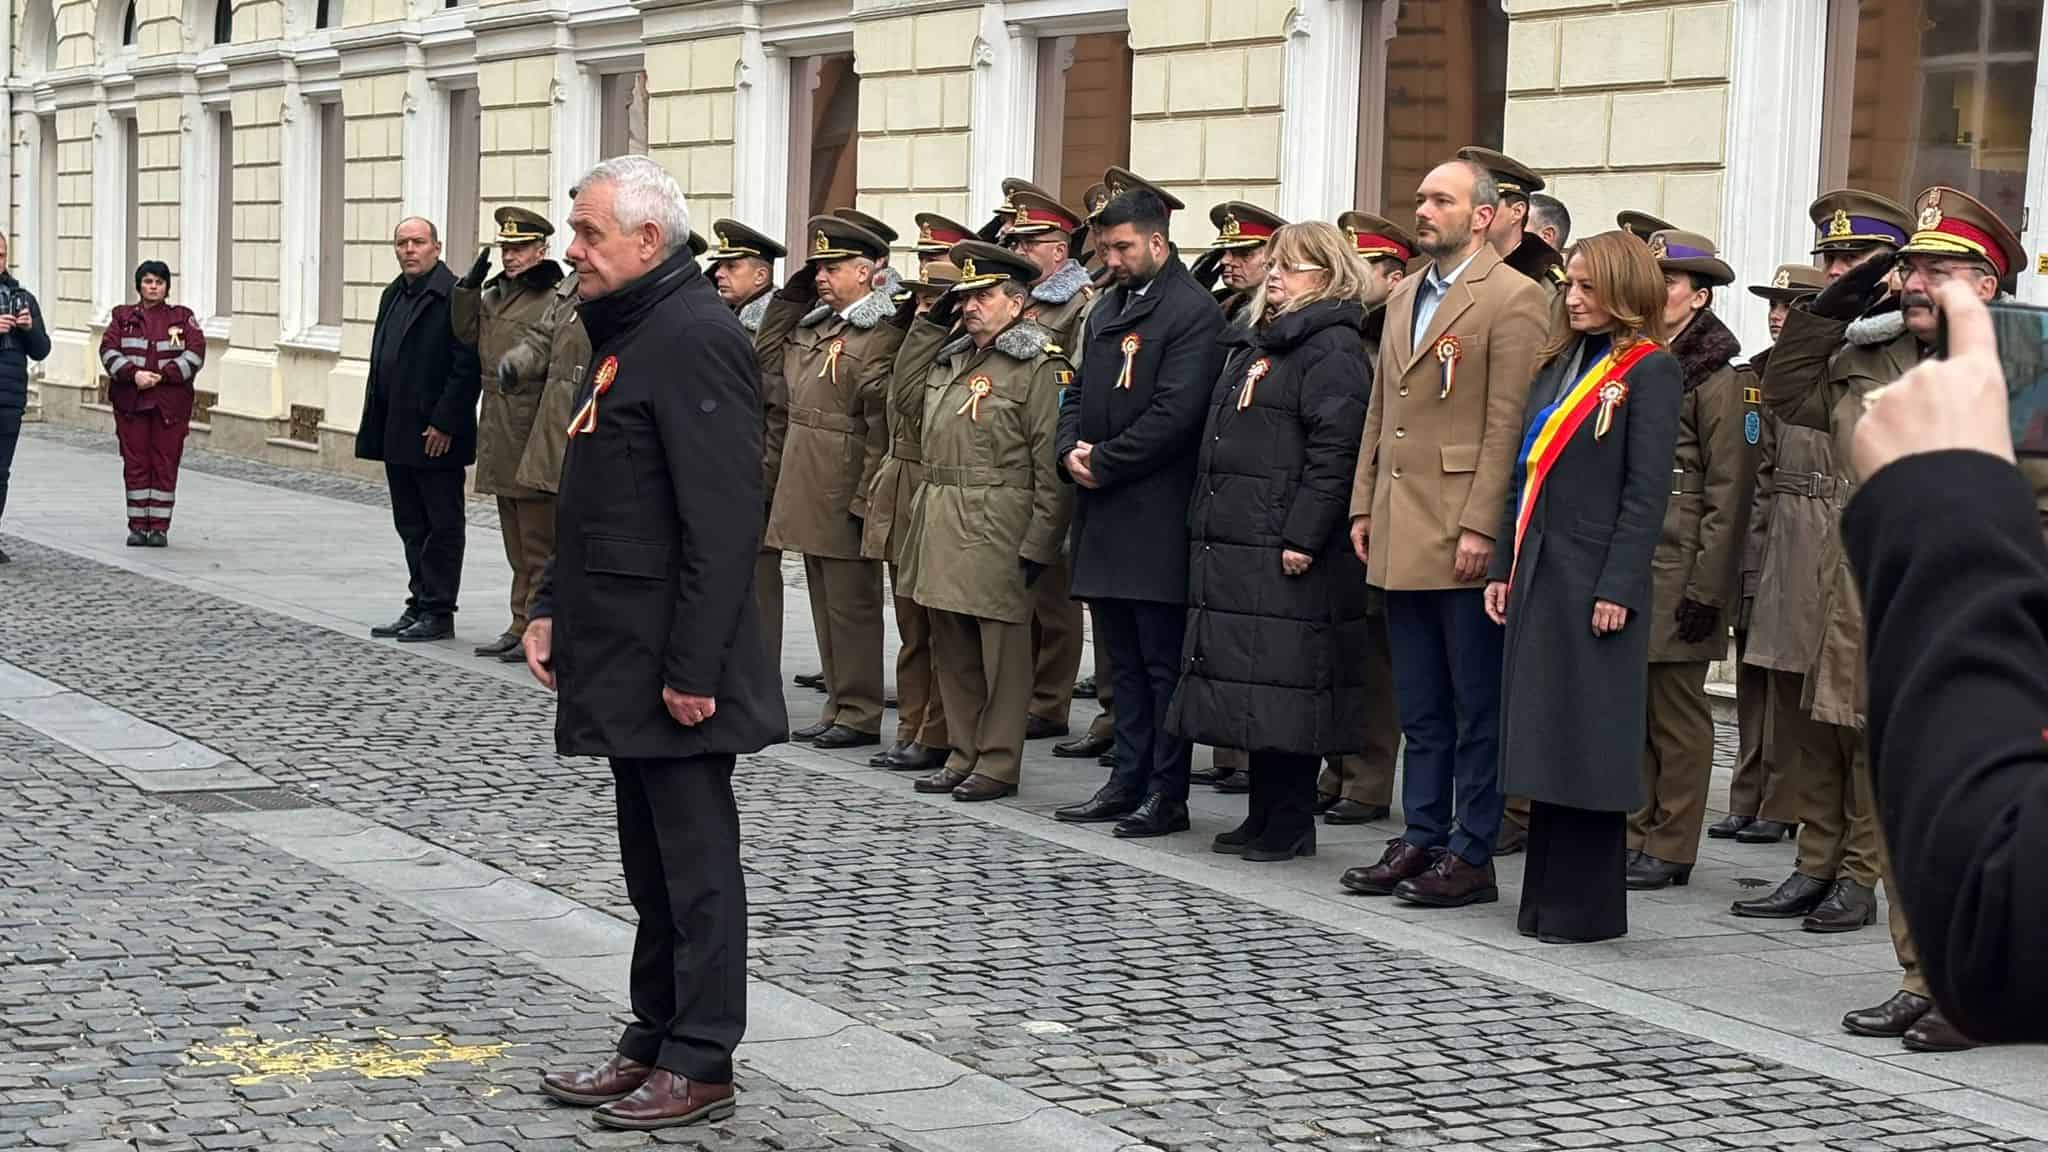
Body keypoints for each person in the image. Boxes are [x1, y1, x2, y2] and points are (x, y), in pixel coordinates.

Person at [526, 155, 783, 1131]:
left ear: (647, 240)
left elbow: (721, 523)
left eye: (588, 234)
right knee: (647, 862)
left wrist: (693, 667)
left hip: (674, 657)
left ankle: (702, 1055)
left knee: (695, 863)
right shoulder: (628, 328)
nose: (572, 249)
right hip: (619, 644)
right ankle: (652, 1036)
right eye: (574, 229)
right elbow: (595, 487)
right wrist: (549, 601)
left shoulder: (694, 336)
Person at [1763, 185, 2020, 1053]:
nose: (1917, 282)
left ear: (1986, 285)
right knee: (1905, 799)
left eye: (1939, 270)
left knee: (1980, 806)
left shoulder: (2023, 376)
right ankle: (1926, 977)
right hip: (1880, 612)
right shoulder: (1867, 363)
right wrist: (1841, 294)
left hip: (1989, 625)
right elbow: (1788, 386)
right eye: (1911, 266)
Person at [1339, 158, 1548, 907]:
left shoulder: (1515, 299)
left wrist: (1484, 527)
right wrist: (1363, 502)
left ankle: (1471, 850)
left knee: (1473, 705)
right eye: (1420, 196)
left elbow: (1507, 423)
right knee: (1420, 700)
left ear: (1484, 216)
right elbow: (1379, 411)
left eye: (1440, 200)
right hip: (1400, 522)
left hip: (1461, 524)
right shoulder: (1404, 298)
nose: (1422, 210)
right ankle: (1421, 833)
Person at [1844, 280, 2048, 1048]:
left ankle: (1938, 983)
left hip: (1988, 609)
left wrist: (1946, 511)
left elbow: (2003, 896)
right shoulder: (1888, 360)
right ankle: (1922, 975)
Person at [1483, 230, 1682, 942]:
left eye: (1588, 289)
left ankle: (1585, 906)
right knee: (1548, 732)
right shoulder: (1567, 361)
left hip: (1597, 578)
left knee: (1589, 738)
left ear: (1626, 291)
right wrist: (1507, 565)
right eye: (1569, 286)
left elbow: (1646, 491)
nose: (1572, 299)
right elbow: (1525, 474)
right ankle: (1545, 898)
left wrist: (1620, 585)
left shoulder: (1652, 371)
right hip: (1542, 567)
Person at [1166, 221, 1373, 860]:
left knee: (1287, 682)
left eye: (1295, 266)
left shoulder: (1333, 348)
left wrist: (1305, 535)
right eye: (1275, 264)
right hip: (1241, 539)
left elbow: (1336, 452)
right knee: (1255, 683)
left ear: (1330, 275)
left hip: (1284, 543)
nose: (1276, 274)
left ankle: (1288, 821)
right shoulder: (1265, 342)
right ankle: (1263, 813)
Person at [1735, 189, 1912, 918]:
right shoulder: (1841, 347)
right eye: (1830, 259)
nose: (1839, 268)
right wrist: (1829, 309)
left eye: (1853, 258)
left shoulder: (1922, 347)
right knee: (1807, 718)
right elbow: (1781, 392)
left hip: (1878, 559)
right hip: (1815, 553)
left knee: (1862, 725)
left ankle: (1858, 875)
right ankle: (1814, 859)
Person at [1052, 175, 1226, 836]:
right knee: (1119, 664)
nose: (1112, 260)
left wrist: (1102, 461)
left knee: (1160, 664)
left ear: (1158, 240)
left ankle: (1165, 791)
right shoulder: (1106, 306)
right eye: (1106, 248)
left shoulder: (1191, 313)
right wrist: (1068, 448)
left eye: (1123, 247)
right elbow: (1076, 389)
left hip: (1154, 514)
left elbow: (1175, 415)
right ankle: (1125, 778)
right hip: (1103, 513)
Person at [890, 241, 1070, 801]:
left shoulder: (1039, 366)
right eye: (965, 297)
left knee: (1002, 656)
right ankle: (962, 751)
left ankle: (997, 761)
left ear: (1016, 303)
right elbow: (902, 403)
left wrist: (1043, 540)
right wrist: (927, 329)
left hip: (999, 521)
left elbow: (1051, 463)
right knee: (953, 649)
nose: (970, 306)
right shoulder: (951, 357)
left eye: (983, 296)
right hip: (942, 516)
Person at [1626, 231, 1755, 889]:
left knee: (1676, 714)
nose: (1658, 294)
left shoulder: (1720, 379)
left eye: (1670, 284)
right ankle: (1638, 828)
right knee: (1639, 707)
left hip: (1682, 567)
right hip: (1639, 556)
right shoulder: (1645, 359)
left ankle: (1672, 845)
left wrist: (1707, 592)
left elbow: (1730, 492)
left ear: (1699, 297)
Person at [760, 216, 904, 750]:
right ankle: (838, 701)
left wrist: (867, 493)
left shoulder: (882, 333)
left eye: (835, 267)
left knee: (852, 606)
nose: (823, 275)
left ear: (868, 273)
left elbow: (878, 427)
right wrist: (789, 300)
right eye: (819, 266)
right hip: (805, 473)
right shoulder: (816, 325)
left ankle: (862, 710)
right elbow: (764, 360)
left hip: (843, 478)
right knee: (823, 599)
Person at [1310, 211, 1417, 826]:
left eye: (1362, 269)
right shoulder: (1350, 332)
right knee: (1339, 648)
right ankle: (1337, 767)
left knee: (1375, 656)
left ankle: (1369, 779)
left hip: (1380, 507)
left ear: (1392, 274)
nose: (1348, 280)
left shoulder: (1394, 334)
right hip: (1344, 502)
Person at [1715, 262, 1826, 843]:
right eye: (1774, 306)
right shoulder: (1754, 374)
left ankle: (1782, 803)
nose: (1779, 315)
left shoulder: (1823, 375)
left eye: (1792, 307)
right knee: (1752, 675)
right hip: (1759, 530)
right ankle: (1746, 794)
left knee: (1787, 678)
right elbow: (1748, 471)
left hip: (1801, 533)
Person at [357, 217, 481, 643]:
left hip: (436, 433)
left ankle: (439, 609)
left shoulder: (455, 294)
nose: (410, 249)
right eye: (402, 242)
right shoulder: (394, 293)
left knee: (442, 524)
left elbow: (467, 365)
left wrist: (445, 422)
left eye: (418, 242)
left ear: (437, 247)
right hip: (397, 428)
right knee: (410, 522)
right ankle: (420, 600)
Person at [451, 208, 566, 662]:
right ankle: (518, 620)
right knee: (515, 542)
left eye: (520, 248)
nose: (511, 256)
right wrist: (467, 288)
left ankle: (533, 626)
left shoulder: (552, 296)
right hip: (498, 424)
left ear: (542, 250)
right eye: (506, 249)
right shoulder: (496, 294)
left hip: (530, 424)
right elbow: (465, 334)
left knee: (538, 542)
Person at [1001, 189, 1094, 745]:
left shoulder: (1076, 304)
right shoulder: (1026, 297)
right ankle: (1028, 689)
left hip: (1055, 451)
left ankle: (1050, 699)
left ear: (1058, 250)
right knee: (1026, 588)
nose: (1017, 248)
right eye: (1013, 240)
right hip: (1014, 453)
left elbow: (1072, 379)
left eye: (1028, 242)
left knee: (1057, 597)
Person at [860, 231, 955, 777]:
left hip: (932, 488)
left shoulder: (951, 354)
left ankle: (936, 731)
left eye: (935, 299)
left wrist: (928, 330)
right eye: (918, 296)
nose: (924, 307)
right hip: (900, 488)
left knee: (940, 631)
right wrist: (904, 325)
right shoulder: (909, 340)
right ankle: (911, 726)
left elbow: (908, 399)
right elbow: (876, 387)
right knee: (911, 630)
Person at [704, 218, 794, 686]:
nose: (720, 273)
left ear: (760, 276)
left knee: (759, 579)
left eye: (731, 265)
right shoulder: (727, 318)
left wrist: (765, 474)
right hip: (722, 466)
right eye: (718, 265)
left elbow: (777, 409)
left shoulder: (770, 328)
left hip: (754, 468)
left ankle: (760, 675)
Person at [100, 260, 204, 548]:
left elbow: (196, 354)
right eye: (148, 281)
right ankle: (137, 526)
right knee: (135, 464)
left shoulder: (183, 318)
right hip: (132, 404)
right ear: (139, 286)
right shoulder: (122, 318)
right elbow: (108, 350)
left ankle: (158, 527)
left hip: (169, 407)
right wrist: (134, 375)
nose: (153, 287)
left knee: (165, 464)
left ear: (167, 287)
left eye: (159, 282)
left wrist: (163, 376)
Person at [1457, 146, 1566, 296]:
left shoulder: (1543, 280)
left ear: (1517, 212)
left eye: (1485, 202)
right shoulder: (1454, 267)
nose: (1473, 211)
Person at [0, 235, 47, 563]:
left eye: (1, 255)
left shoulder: (22, 296)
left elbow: (42, 349)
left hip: (9, 397)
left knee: (1, 471)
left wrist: (29, 329)